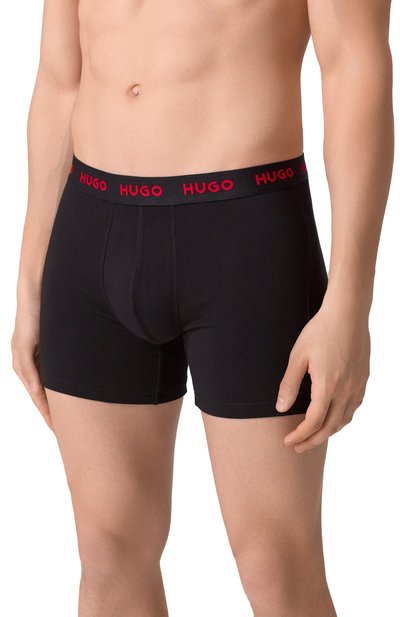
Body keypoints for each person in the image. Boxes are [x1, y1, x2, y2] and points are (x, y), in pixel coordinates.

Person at [11, 0, 394, 615]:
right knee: (108, 550)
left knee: (275, 561)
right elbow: (60, 79)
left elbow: (354, 65)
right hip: (92, 230)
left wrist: (350, 301)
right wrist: (29, 280)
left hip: (245, 234)